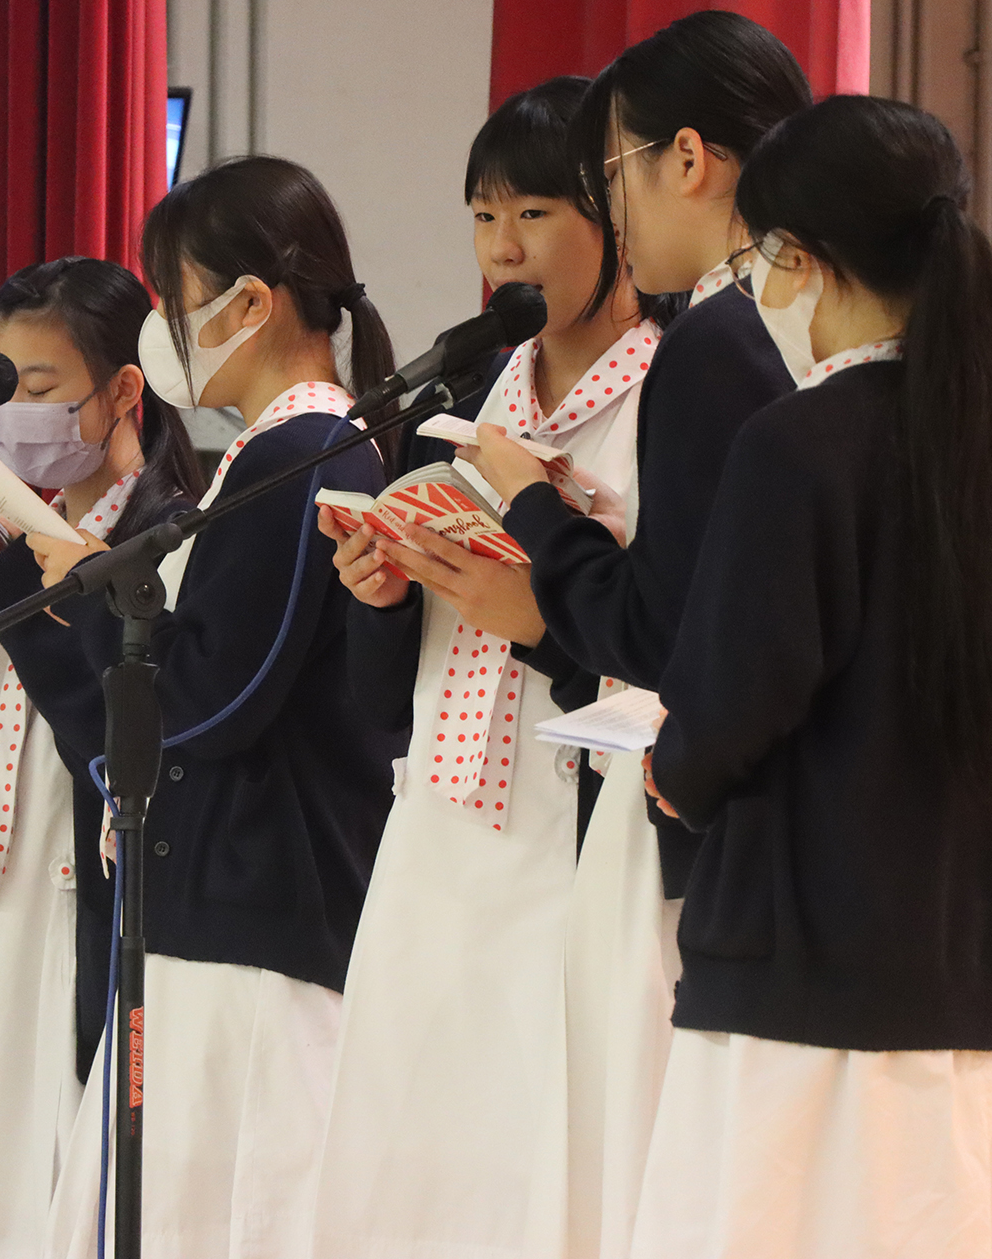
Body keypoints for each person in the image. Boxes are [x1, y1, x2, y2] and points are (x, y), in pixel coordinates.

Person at [638, 94, 992, 1255]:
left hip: (811, 989)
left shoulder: (798, 443)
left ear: (809, 262)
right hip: (978, 975)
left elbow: (729, 707)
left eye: (761, 258)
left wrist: (668, 770)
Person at [0, 156, 403, 1258]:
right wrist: (30, 586)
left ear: (250, 304)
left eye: (170, 297)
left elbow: (206, 701)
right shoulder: (262, 456)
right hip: (207, 920)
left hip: (256, 932)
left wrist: (63, 576)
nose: (161, 326)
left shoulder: (307, 450)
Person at [463, 13, 811, 1255]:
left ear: (690, 160)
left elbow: (665, 625)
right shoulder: (803, 320)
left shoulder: (712, 343)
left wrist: (532, 514)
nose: (613, 214)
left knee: (644, 1162)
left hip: (689, 812)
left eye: (605, 178)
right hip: (794, 834)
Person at [309, 76, 667, 1259]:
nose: (502, 249)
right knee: (416, 1158)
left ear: (614, 216)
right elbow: (376, 701)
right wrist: (377, 591)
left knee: (546, 1168)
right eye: (481, 217)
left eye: (536, 215)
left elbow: (671, 641)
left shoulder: (671, 393)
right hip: (439, 830)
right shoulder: (460, 398)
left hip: (580, 833)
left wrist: (537, 619)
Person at [0, 257, 205, 1257]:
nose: (16, 415)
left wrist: (18, 594)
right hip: (0, 930)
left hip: (101, 929)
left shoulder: (169, 541)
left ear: (122, 390)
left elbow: (123, 742)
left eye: (41, 388)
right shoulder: (10, 538)